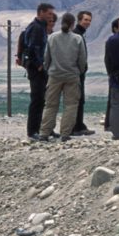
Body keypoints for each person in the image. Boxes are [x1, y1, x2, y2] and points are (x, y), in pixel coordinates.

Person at [39, 13, 87, 141]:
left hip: (54, 75)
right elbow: (82, 59)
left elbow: (46, 57)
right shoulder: (77, 39)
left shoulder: (52, 37)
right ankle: (65, 134)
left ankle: (44, 132)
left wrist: (48, 70)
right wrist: (79, 71)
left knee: (50, 105)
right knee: (71, 105)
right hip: (72, 75)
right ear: (73, 24)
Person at [23, 2, 55, 140]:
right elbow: (33, 48)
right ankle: (32, 131)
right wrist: (39, 64)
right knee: (37, 99)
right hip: (37, 69)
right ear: (41, 12)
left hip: (41, 68)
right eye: (49, 13)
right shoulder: (36, 28)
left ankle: (45, 128)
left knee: (43, 100)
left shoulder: (40, 27)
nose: (51, 16)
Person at [71, 10, 95, 136]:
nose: (88, 22)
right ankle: (76, 127)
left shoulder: (80, 34)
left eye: (89, 20)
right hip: (76, 73)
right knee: (77, 99)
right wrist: (81, 69)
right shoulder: (76, 34)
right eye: (86, 20)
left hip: (79, 72)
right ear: (79, 20)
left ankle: (79, 125)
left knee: (80, 99)